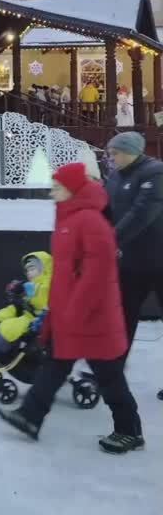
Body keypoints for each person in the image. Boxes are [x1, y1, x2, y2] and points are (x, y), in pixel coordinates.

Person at [0, 162, 144, 454]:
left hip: (93, 318)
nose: (52, 192)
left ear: (73, 188)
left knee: (109, 376)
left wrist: (74, 313)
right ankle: (29, 416)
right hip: (70, 315)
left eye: (57, 187)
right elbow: (65, 275)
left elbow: (96, 276)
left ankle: (130, 431)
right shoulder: (69, 218)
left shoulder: (90, 221)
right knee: (55, 365)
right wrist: (57, 313)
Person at [105, 132, 163, 357]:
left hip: (158, 259)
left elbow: (142, 212)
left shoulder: (155, 173)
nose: (111, 158)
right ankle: (112, 369)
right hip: (131, 261)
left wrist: (111, 238)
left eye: (115, 153)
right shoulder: (115, 176)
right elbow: (105, 209)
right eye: (110, 153)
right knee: (122, 316)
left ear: (131, 152)